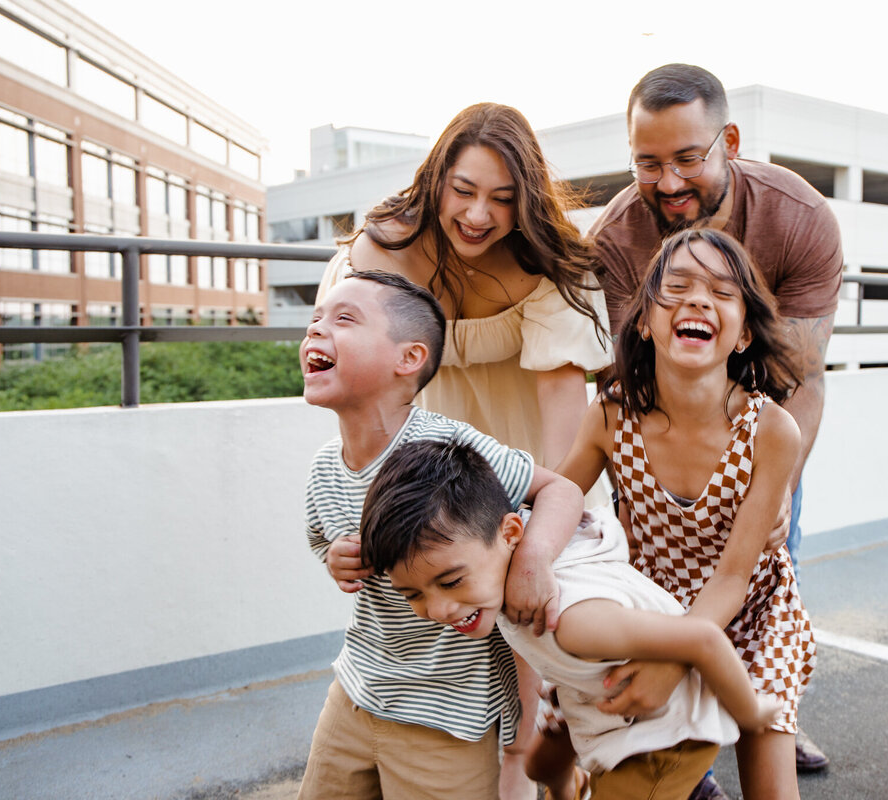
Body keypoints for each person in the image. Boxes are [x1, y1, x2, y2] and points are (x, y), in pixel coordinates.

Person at [316, 102, 613, 798]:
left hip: (525, 446)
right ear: (437, 180)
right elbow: (362, 393)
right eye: (465, 191)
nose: (479, 215)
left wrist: (538, 539)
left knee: (532, 641)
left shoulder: (547, 265)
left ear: (527, 202)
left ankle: (536, 769)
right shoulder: (381, 250)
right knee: (445, 614)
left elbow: (562, 436)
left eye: (503, 200)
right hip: (430, 445)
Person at [589, 63, 841, 777]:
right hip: (665, 438)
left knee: (764, 572)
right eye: (648, 163)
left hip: (764, 430)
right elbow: (632, 380)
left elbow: (806, 375)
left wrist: (777, 485)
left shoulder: (799, 218)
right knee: (655, 586)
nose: (668, 182)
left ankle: (771, 715)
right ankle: (682, 755)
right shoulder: (616, 242)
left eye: (688, 158)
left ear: (728, 140)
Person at [360, 437, 786, 800]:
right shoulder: (510, 552)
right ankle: (573, 786)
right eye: (412, 594)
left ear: (510, 534)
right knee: (540, 766)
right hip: (588, 690)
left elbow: (703, 640)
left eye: (450, 582)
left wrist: (750, 715)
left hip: (664, 733)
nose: (436, 610)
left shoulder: (575, 619)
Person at [296, 269, 583, 800]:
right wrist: (335, 558)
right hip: (357, 692)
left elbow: (560, 490)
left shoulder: (446, 446)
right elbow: (322, 540)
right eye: (314, 321)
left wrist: (532, 560)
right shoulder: (322, 470)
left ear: (408, 359)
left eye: (343, 319)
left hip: (448, 719)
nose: (315, 331)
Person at [556, 229, 814, 800]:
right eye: (677, 287)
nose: (698, 300)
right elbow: (557, 501)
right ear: (645, 320)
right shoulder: (611, 413)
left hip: (749, 617)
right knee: (583, 759)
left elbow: (732, 577)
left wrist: (675, 662)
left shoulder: (771, 431)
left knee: (772, 782)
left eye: (722, 292)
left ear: (744, 333)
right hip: (651, 610)